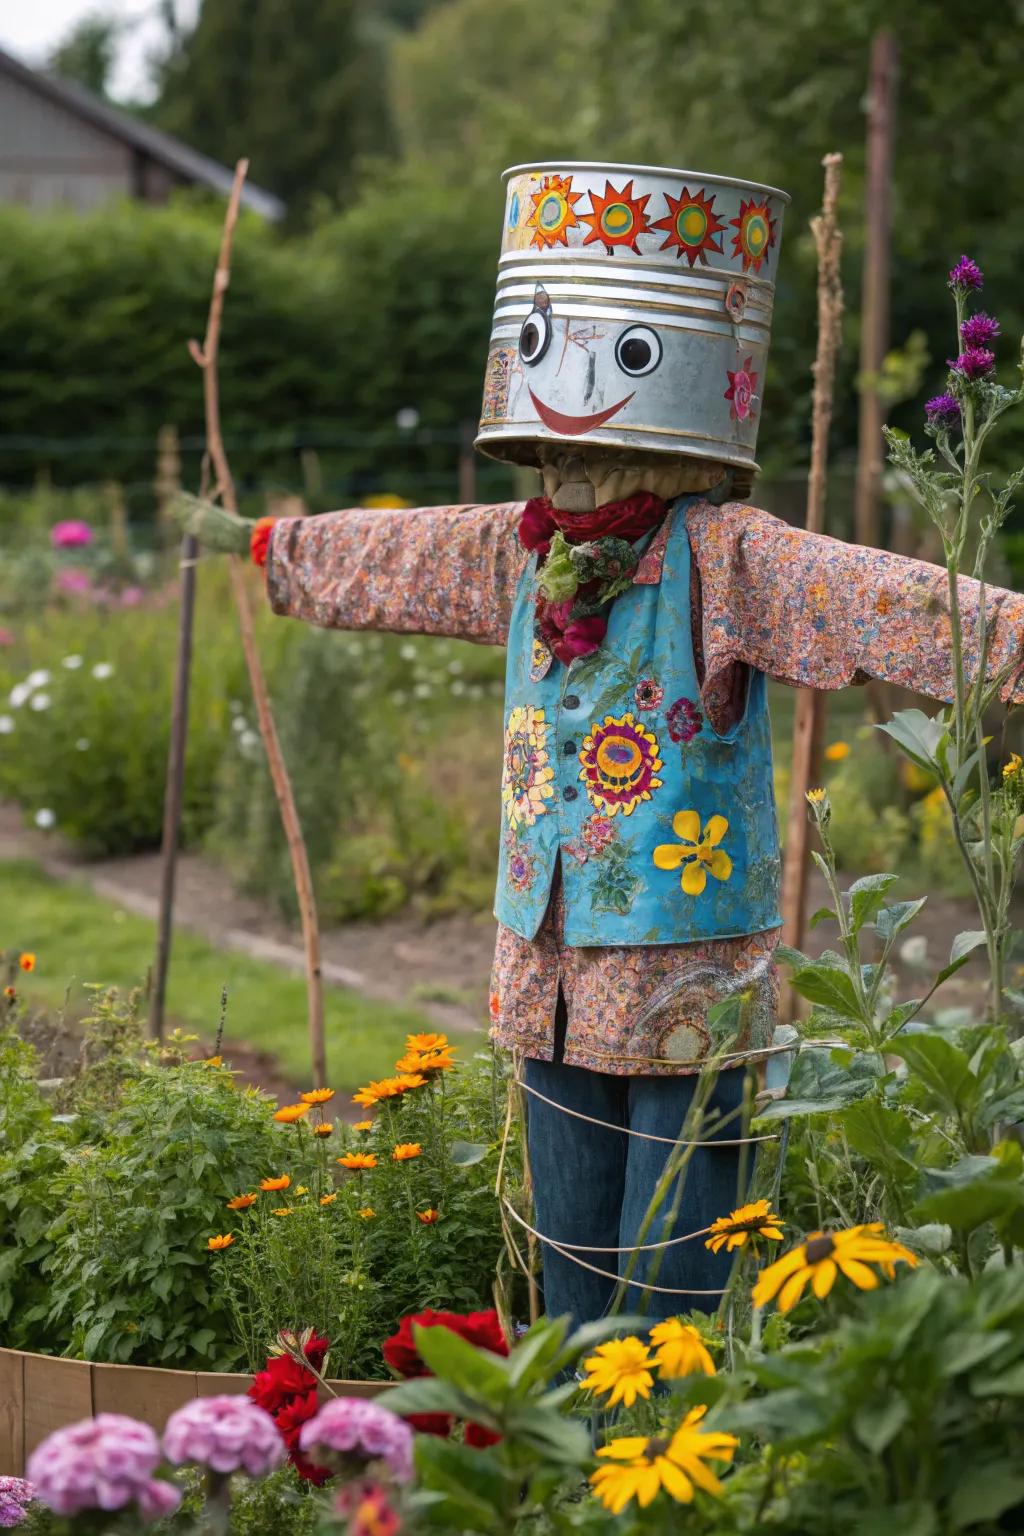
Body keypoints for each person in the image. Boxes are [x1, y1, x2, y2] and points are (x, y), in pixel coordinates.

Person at [180, 160, 1024, 1327]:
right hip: (548, 966)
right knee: (568, 1256)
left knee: (680, 1268)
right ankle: (578, 1425)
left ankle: (678, 1429)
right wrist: (263, 542)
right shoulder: (521, 552)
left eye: (590, 445)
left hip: (681, 971)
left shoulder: (722, 554)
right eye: (547, 452)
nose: (566, 463)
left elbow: (875, 595)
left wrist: (1011, 639)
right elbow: (398, 555)